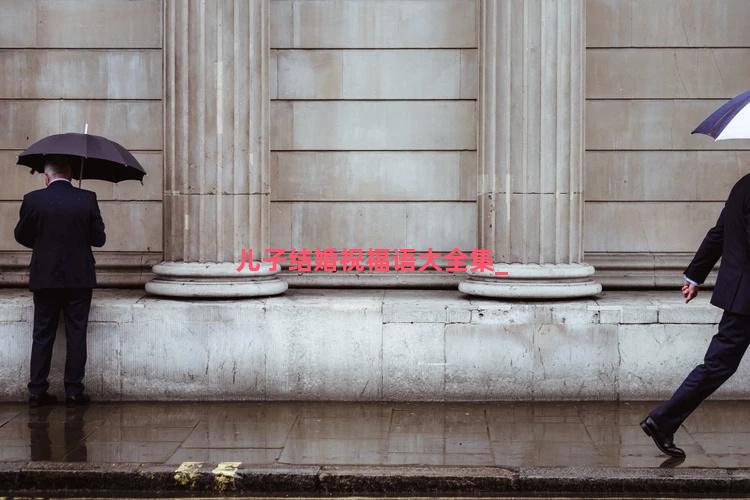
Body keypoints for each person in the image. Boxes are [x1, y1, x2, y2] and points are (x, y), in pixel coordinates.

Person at [641, 172, 750, 458]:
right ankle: (663, 420)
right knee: (718, 365)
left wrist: (694, 275)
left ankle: (663, 420)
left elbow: (718, 234)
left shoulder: (743, 184)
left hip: (741, 296)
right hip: (747, 298)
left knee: (717, 365)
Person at [14, 155, 106, 407]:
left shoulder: (33, 199)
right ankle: (74, 390)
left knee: (42, 333)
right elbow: (99, 239)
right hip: (79, 277)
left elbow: (21, 235)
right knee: (77, 333)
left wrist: (44, 242)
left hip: (44, 276)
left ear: (47, 176)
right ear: (71, 174)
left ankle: (37, 390)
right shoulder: (87, 198)